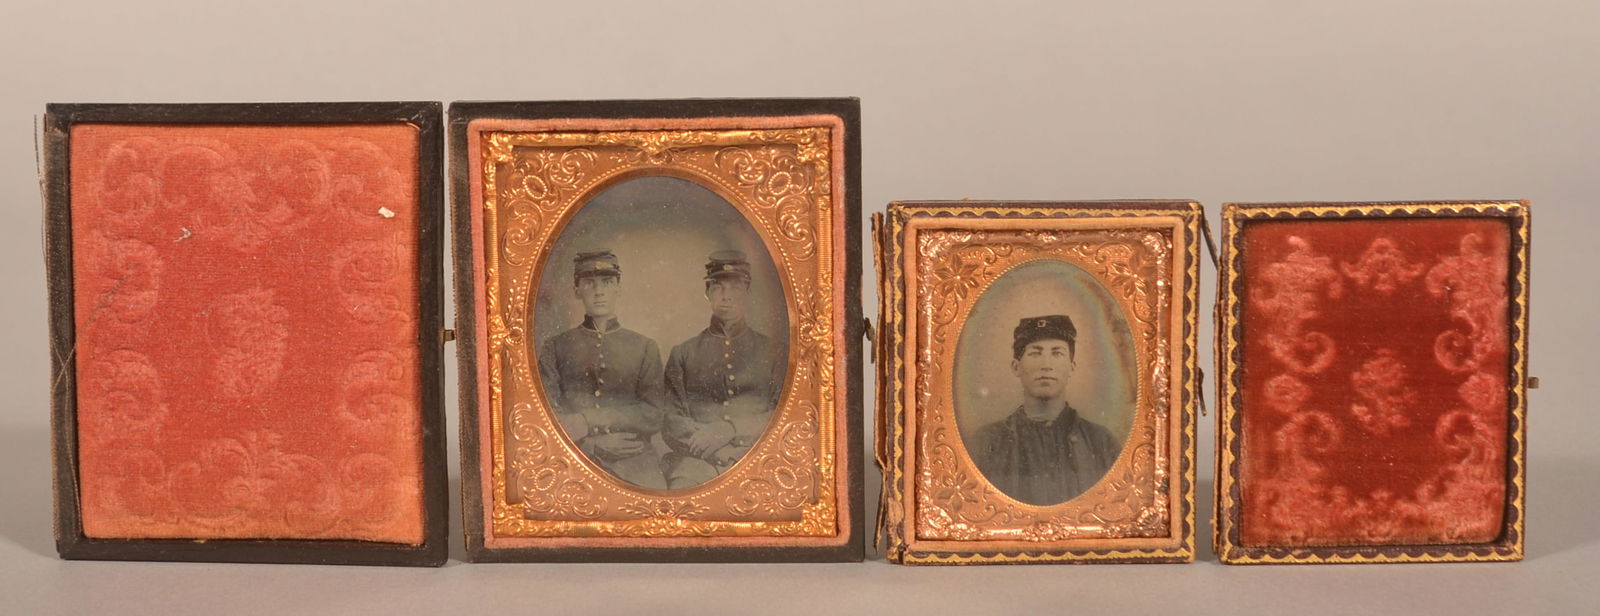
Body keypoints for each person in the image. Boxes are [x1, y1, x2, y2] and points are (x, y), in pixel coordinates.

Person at [536, 249, 668, 489]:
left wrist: (587, 420)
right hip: (576, 460)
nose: (599, 291)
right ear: (576, 290)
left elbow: (654, 414)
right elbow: (545, 417)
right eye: (589, 283)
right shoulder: (554, 347)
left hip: (635, 463)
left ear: (619, 287)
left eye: (607, 282)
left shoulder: (644, 346)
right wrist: (592, 445)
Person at [662, 251, 784, 489]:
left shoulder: (774, 351)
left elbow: (783, 414)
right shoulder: (683, 353)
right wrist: (716, 450)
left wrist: (732, 430)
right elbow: (671, 420)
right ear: (707, 293)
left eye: (735, 288)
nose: (726, 297)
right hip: (697, 461)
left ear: (748, 293)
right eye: (718, 288)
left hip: (758, 457)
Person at [969, 314, 1119, 506]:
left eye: (1057, 353)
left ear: (1071, 367)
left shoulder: (1101, 442)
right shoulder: (986, 443)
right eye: (1035, 353)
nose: (1046, 365)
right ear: (1016, 367)